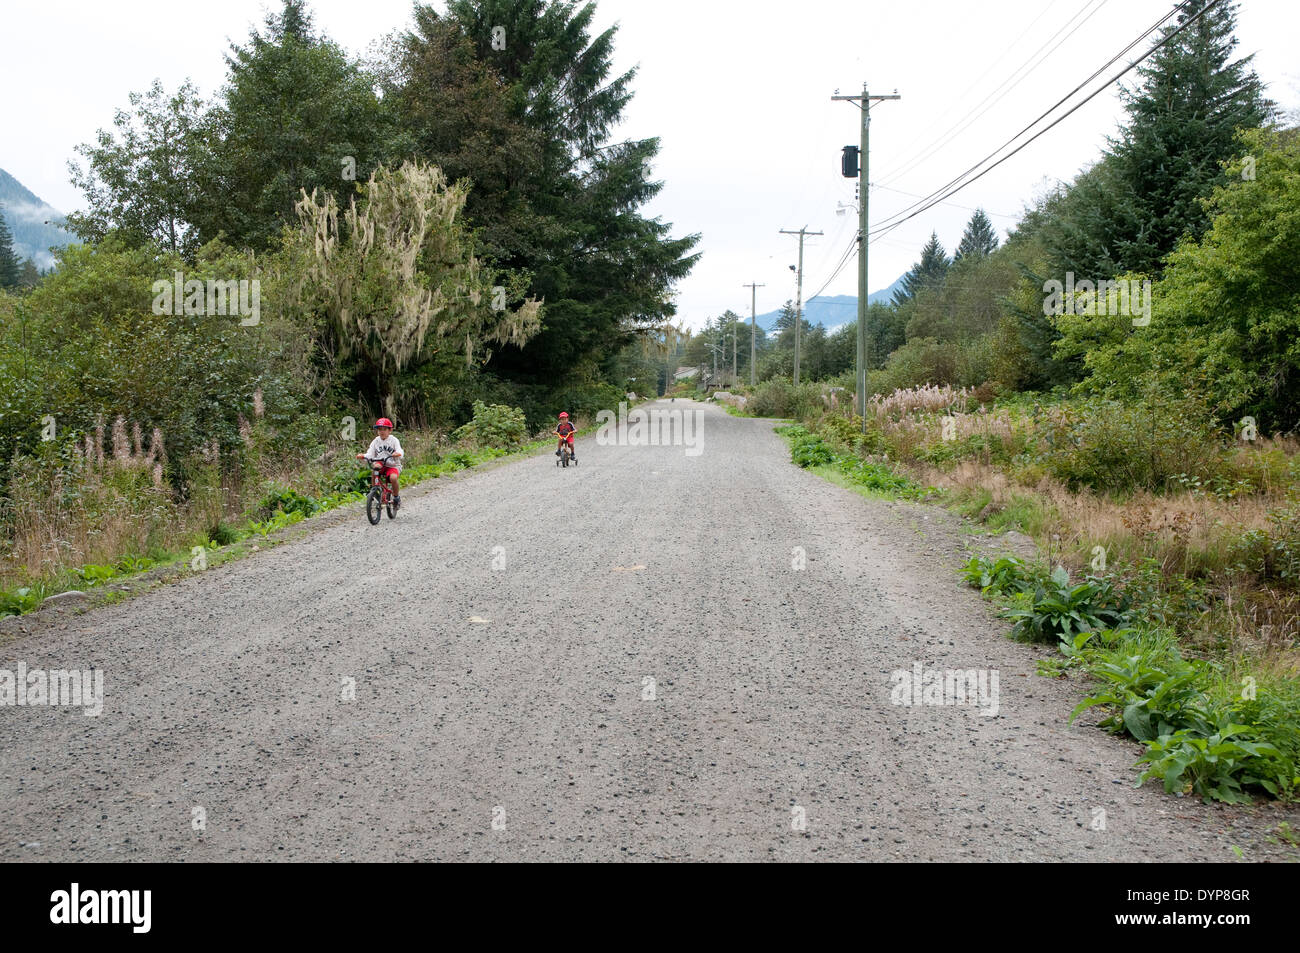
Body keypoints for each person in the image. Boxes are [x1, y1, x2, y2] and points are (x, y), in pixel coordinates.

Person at [357, 418, 403, 508]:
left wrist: (397, 454)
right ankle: (375, 489)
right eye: (379, 429)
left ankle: (396, 497)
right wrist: (364, 456)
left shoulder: (394, 440)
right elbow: (370, 453)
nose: (382, 432)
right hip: (381, 463)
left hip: (392, 465)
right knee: (375, 467)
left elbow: (399, 450)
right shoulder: (376, 441)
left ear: (390, 430)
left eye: (384, 429)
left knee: (393, 478)